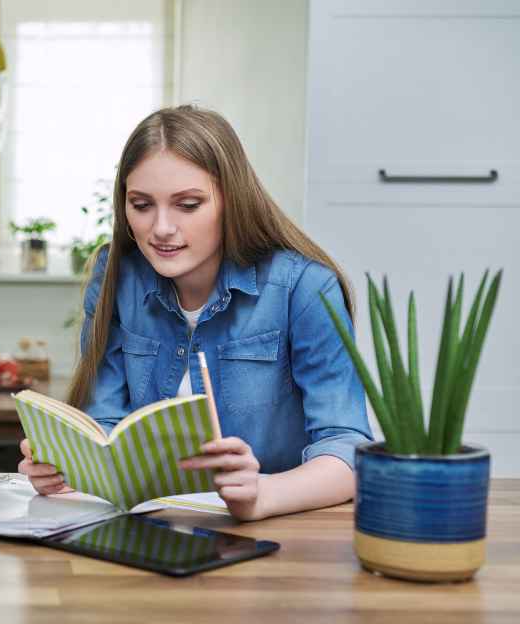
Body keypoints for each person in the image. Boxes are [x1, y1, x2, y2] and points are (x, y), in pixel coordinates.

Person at [18, 105, 372, 521]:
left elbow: (345, 448)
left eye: (187, 205)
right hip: (149, 530)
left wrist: (262, 494)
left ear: (230, 200)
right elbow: (105, 425)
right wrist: (68, 467)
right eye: (142, 204)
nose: (161, 228)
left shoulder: (305, 287)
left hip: (273, 540)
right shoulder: (117, 277)